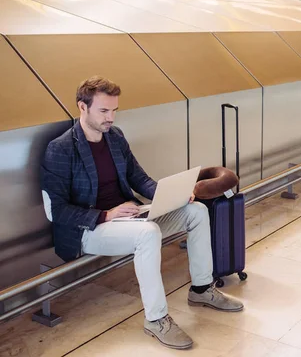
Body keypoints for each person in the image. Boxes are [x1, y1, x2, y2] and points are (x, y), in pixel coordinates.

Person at [41, 76, 243, 350]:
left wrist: (170, 195)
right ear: (82, 107)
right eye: (103, 111)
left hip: (130, 218)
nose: (110, 118)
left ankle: (201, 290)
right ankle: (156, 320)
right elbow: (57, 211)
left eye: (114, 110)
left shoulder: (115, 137)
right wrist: (108, 215)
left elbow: (139, 178)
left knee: (195, 211)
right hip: (89, 229)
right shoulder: (61, 149)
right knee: (148, 233)